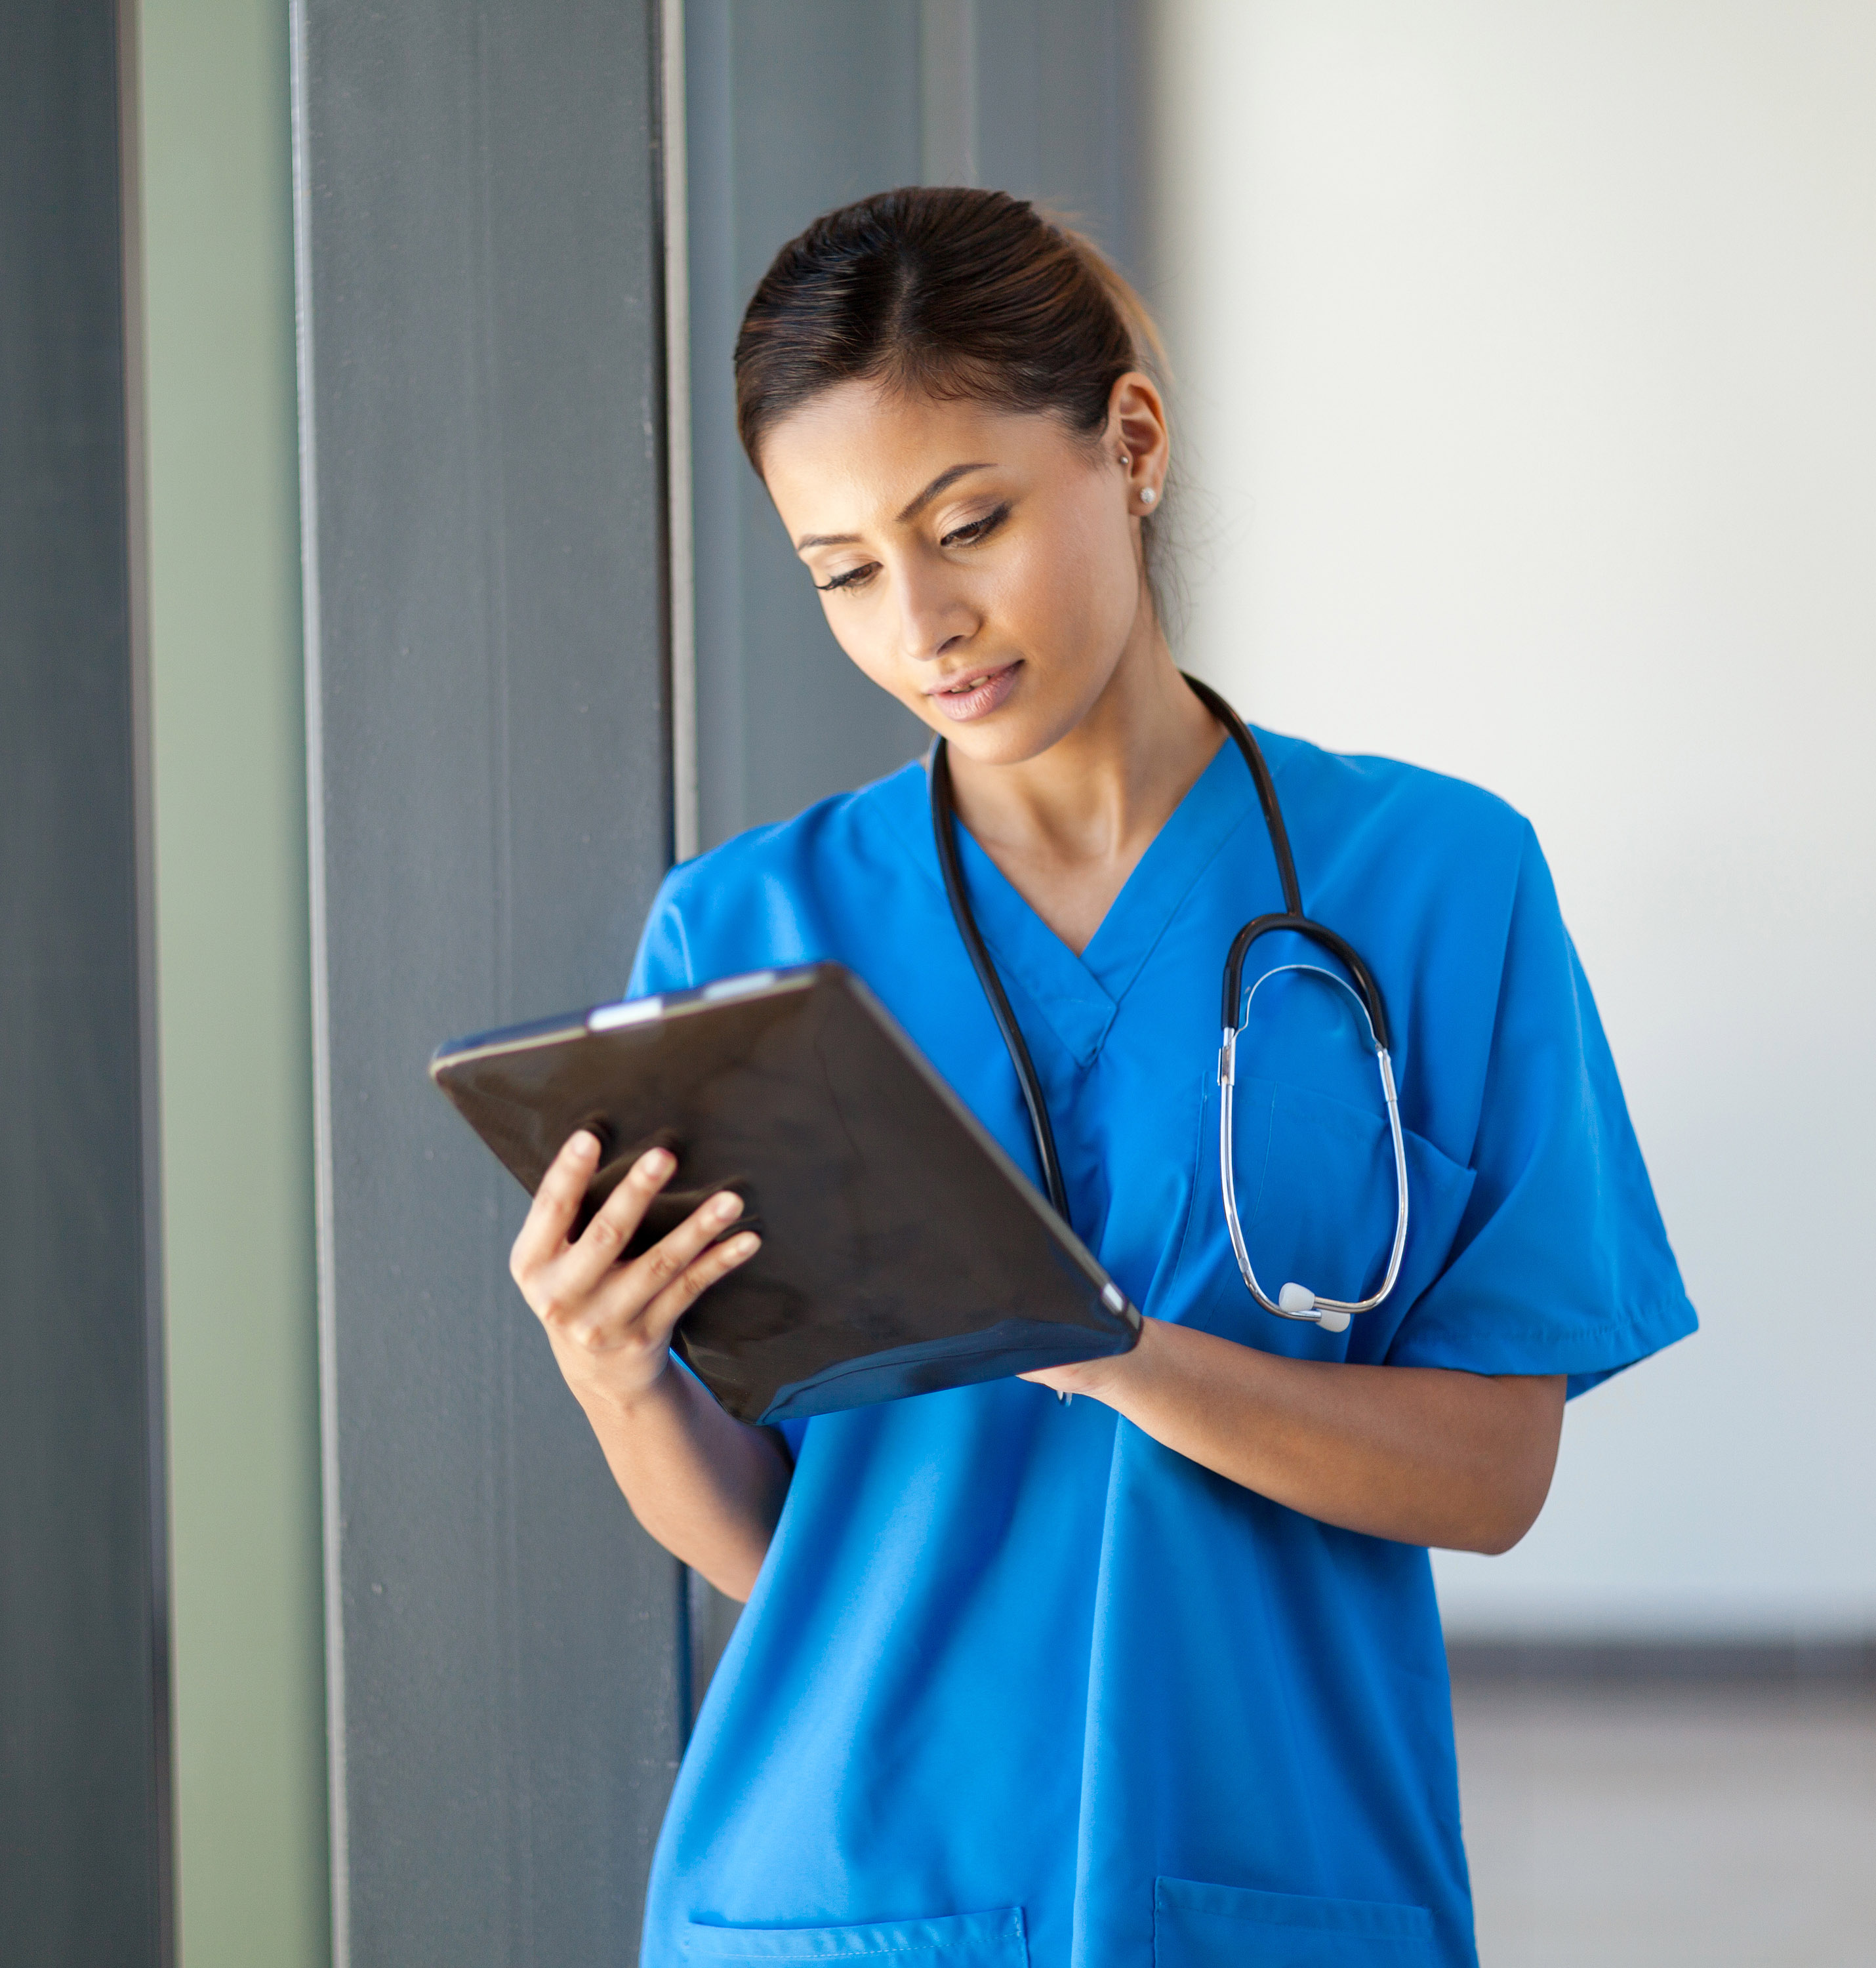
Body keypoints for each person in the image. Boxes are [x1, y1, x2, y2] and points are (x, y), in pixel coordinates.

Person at [506, 188, 1696, 1968]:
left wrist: (1112, 1352)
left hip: (1268, 1876)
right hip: (843, 1894)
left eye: (965, 523)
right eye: (841, 571)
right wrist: (613, 1380)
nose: (921, 624)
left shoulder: (1435, 881)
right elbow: (782, 1545)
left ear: (1126, 443)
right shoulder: (748, 929)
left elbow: (1487, 1475)